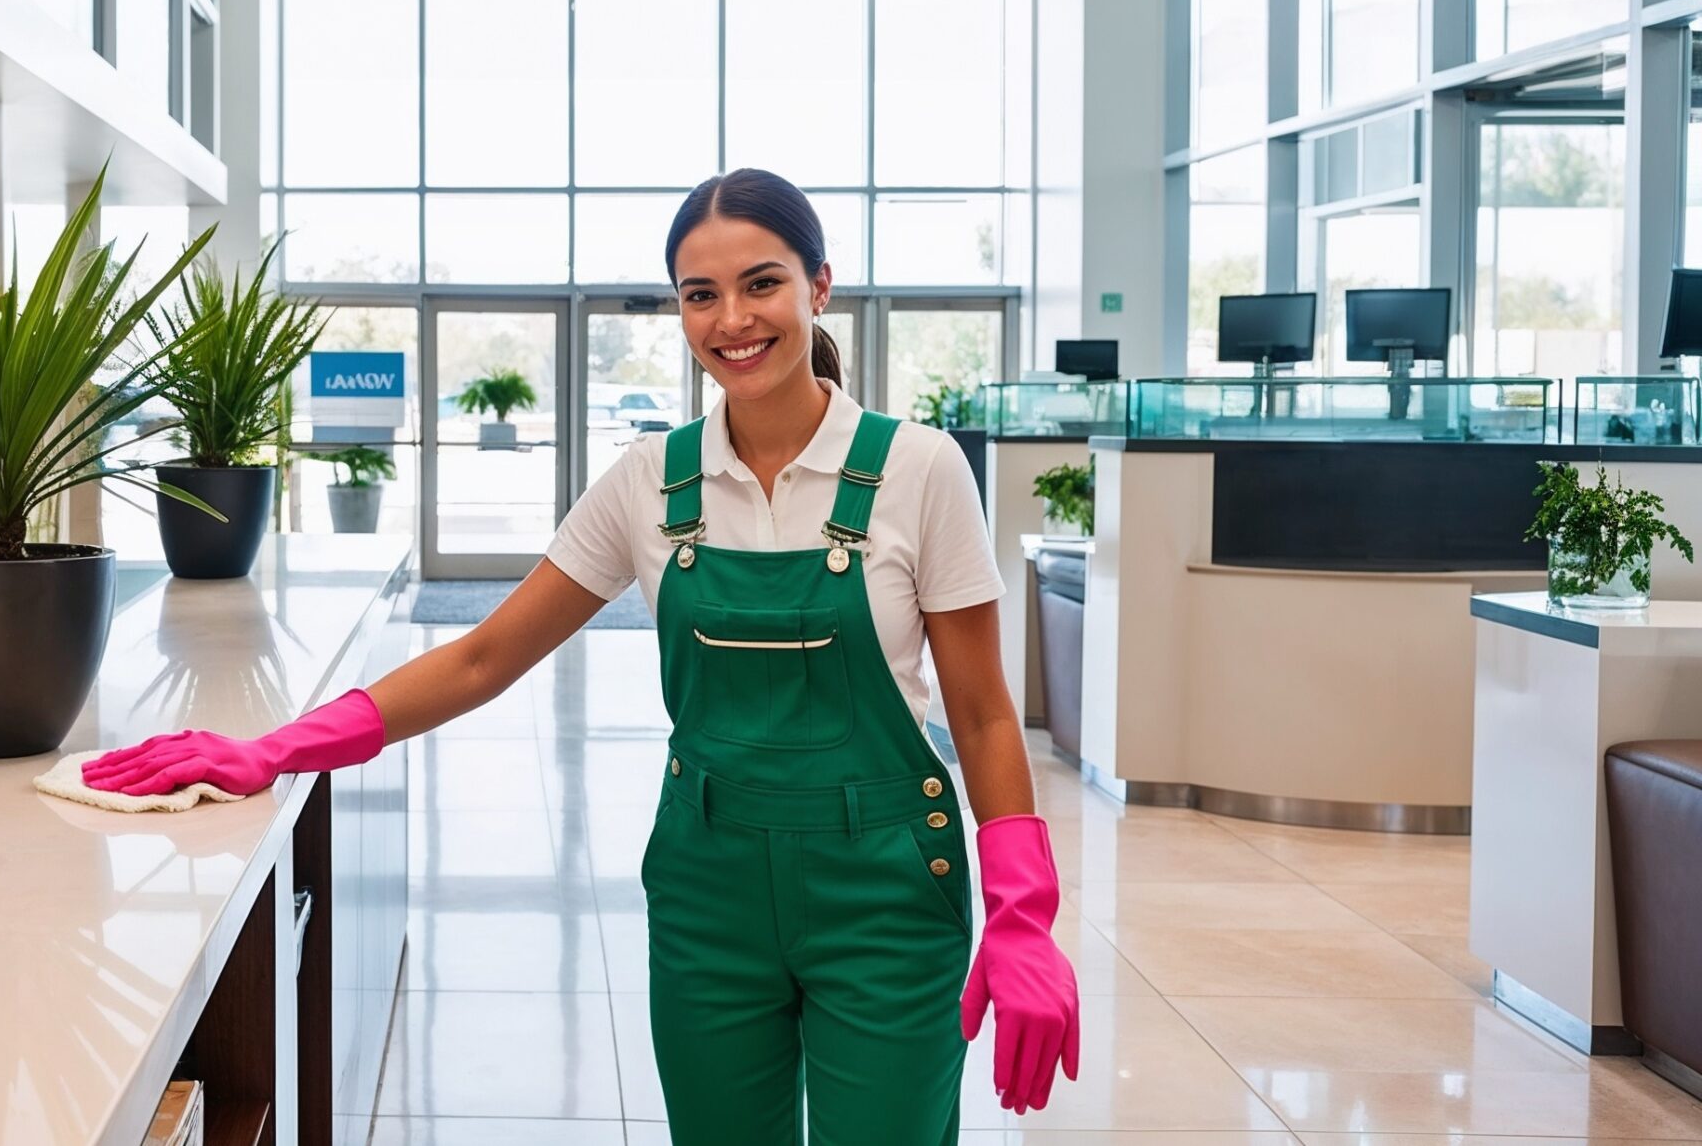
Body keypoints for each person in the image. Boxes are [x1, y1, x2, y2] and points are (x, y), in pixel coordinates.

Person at [85, 169, 1079, 1140]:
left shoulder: (919, 471)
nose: (732, 318)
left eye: (761, 282)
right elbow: (482, 657)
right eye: (701, 294)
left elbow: (986, 714)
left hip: (888, 892)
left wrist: (1023, 913)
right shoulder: (652, 479)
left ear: (818, 286)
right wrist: (282, 747)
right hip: (709, 890)